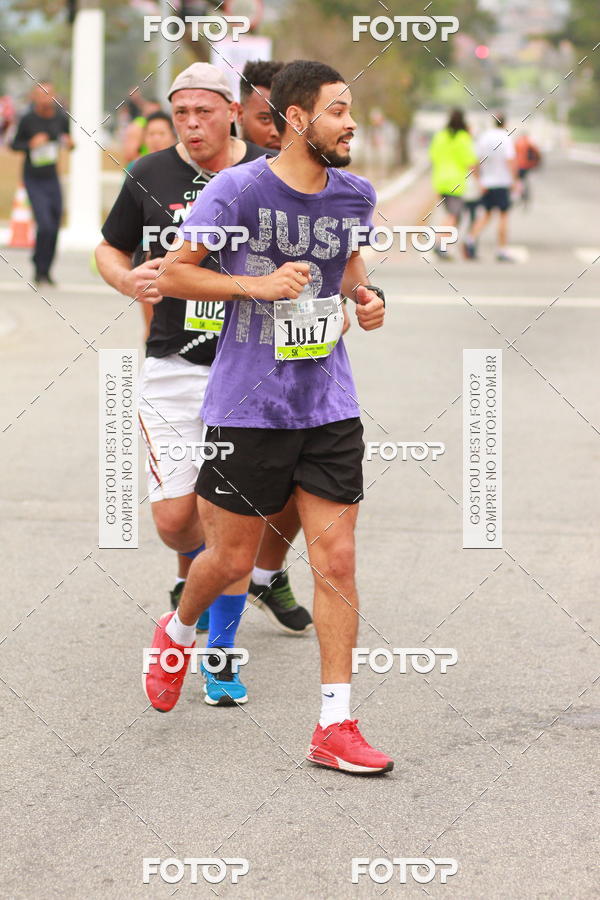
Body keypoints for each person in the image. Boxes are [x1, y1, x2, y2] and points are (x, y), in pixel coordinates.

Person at [145, 60, 393, 774]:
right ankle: (179, 627)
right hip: (248, 406)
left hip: (327, 403)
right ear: (295, 118)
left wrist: (368, 301)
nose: (351, 123)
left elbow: (348, 271)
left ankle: (335, 725)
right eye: (338, 110)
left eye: (351, 109)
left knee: (337, 557)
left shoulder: (354, 194)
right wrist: (254, 285)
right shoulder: (238, 189)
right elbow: (175, 273)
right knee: (228, 559)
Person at [96, 62, 312, 705]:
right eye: (181, 112)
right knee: (175, 522)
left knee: (234, 529)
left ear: (234, 111)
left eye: (204, 112)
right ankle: (199, 585)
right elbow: (110, 247)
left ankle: (217, 653)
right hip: (172, 368)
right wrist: (124, 278)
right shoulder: (149, 175)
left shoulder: (270, 171)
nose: (192, 125)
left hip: (248, 371)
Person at [11, 82, 73, 285]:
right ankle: (39, 266)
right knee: (44, 224)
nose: (45, 98)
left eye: (49, 94)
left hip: (52, 177)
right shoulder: (28, 120)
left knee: (54, 224)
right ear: (34, 97)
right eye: (41, 94)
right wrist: (30, 144)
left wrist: (70, 144)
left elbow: (68, 141)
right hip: (33, 178)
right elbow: (14, 144)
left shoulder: (60, 118)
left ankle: (46, 270)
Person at [465, 114, 518, 262]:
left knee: (486, 215)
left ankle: (470, 239)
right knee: (503, 216)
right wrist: (514, 181)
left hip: (486, 183)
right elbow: (510, 160)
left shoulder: (484, 137)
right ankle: (502, 250)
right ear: (505, 123)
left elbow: (474, 162)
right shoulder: (506, 138)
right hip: (502, 183)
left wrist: (479, 181)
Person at [428, 108, 477, 259]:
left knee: (452, 215)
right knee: (454, 215)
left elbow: (433, 156)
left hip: (440, 180)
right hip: (455, 182)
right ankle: (440, 244)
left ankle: (443, 244)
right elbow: (470, 161)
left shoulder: (440, 136)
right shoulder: (463, 137)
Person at [236, 60, 284, 150]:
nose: (276, 133)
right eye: (265, 119)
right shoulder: (220, 162)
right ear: (240, 114)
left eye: (282, 120)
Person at [122, 96, 162, 166]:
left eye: (156, 114)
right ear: (145, 111)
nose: (154, 117)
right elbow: (129, 155)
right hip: (139, 171)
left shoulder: (161, 126)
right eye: (151, 113)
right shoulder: (138, 126)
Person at [515, 131, 541, 208]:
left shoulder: (516, 143)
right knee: (525, 181)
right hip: (526, 165)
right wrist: (536, 162)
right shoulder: (528, 142)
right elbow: (537, 152)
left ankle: (521, 194)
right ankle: (525, 196)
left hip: (517, 165)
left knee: (519, 181)